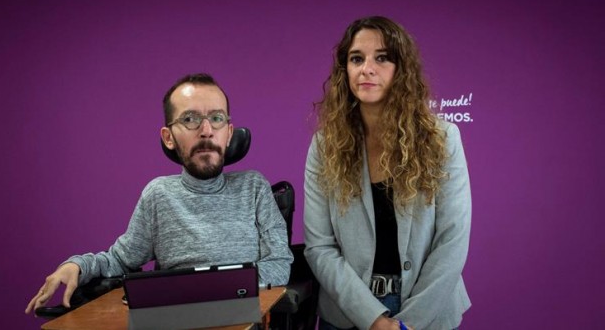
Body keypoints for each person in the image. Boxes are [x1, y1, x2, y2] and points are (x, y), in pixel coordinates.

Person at [25, 73, 293, 314]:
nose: (206, 131)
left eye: (216, 118)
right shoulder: (159, 194)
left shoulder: (254, 187)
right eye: (190, 119)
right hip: (173, 320)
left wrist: (215, 291)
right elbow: (119, 260)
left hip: (244, 317)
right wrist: (77, 266)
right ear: (168, 137)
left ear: (229, 133)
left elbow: (279, 264)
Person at [304, 16, 471, 330]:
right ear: (345, 71)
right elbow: (320, 247)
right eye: (357, 58)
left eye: (382, 58)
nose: (367, 68)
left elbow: (452, 240)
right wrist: (374, 320)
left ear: (401, 70)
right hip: (348, 313)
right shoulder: (325, 146)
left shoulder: (443, 138)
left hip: (428, 312)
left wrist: (407, 324)